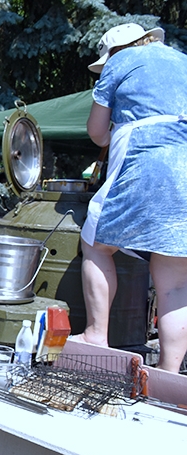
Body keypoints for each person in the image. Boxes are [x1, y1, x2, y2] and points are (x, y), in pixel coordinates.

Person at [75, 22, 187, 373]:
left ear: (114, 52)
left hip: (146, 163)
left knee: (95, 241)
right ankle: (168, 375)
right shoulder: (182, 60)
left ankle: (96, 334)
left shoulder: (119, 63)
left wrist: (114, 133)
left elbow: (96, 132)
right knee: (175, 281)